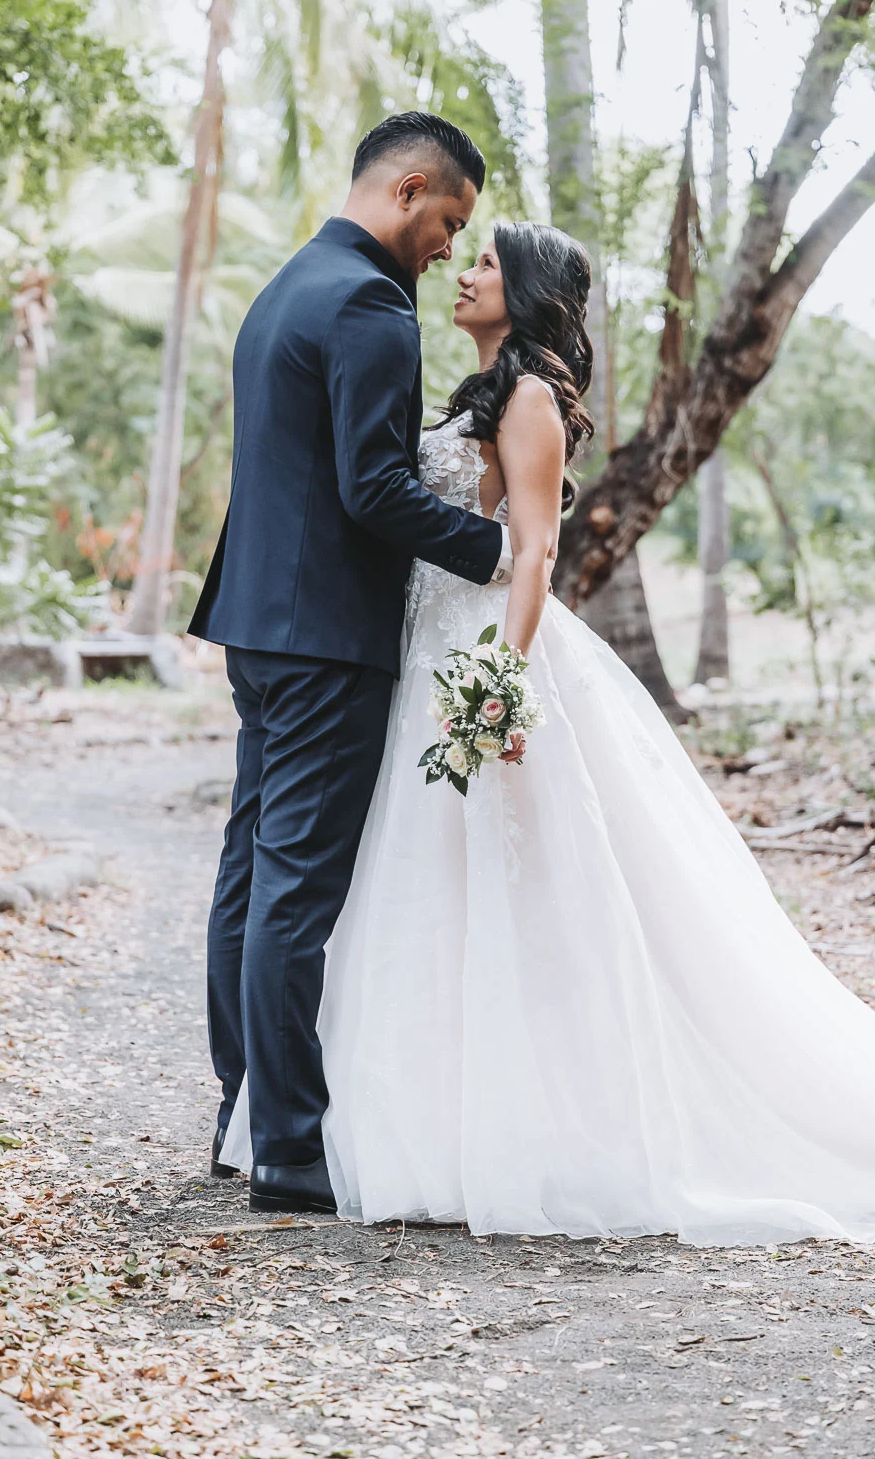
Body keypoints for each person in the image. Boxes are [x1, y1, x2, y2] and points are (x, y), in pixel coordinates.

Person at [221, 217, 875, 1246]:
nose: (463, 274)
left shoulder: (529, 397)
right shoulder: (472, 393)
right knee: (423, 886)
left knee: (520, 892)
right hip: (422, 649)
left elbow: (536, 553)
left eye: (486, 264)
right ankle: (413, 1116)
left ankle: (532, 1125)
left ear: (528, 292)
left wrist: (498, 683)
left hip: (484, 653)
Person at [189, 113, 512, 1215]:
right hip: (328, 634)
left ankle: (245, 1110)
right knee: (294, 888)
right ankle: (286, 1146)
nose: (444, 246)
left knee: (249, 873)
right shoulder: (370, 306)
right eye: (448, 220)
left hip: (258, 626)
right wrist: (496, 552)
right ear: (409, 186)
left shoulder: (286, 285)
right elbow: (370, 488)